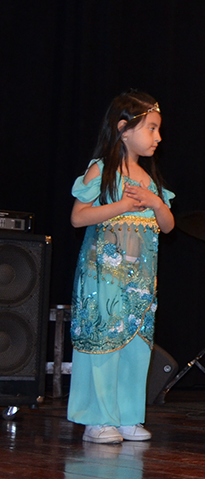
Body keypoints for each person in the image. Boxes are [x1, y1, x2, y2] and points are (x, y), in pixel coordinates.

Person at [68, 90, 175, 444]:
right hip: (104, 278)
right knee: (103, 341)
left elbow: (168, 225)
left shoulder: (149, 179)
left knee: (136, 345)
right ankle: (98, 418)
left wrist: (155, 202)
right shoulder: (102, 169)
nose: (157, 138)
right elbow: (79, 217)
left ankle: (128, 415)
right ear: (124, 129)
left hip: (140, 283)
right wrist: (122, 206)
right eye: (152, 129)